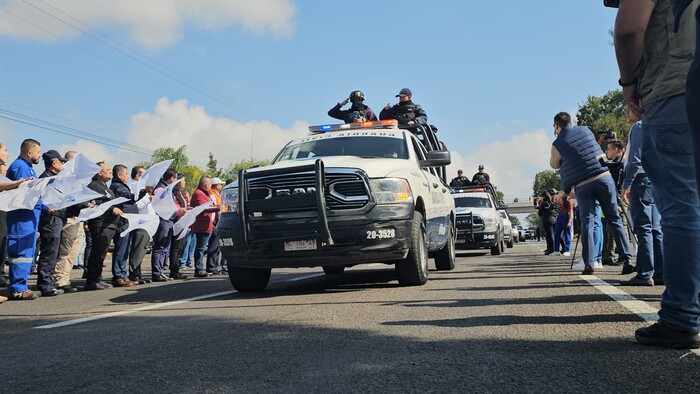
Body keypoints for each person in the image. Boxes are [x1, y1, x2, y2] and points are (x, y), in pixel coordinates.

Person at [614, 0, 700, 348]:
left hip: (675, 87)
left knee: (683, 209)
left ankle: (682, 317)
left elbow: (630, 29)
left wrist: (629, 82)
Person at [549, 112, 633, 275]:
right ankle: (627, 258)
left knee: (587, 222)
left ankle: (589, 264)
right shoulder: (586, 130)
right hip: (604, 178)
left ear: (557, 125)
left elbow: (554, 164)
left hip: (583, 184)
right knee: (614, 219)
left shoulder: (557, 143)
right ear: (571, 122)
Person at [620, 115, 664, 287]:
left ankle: (645, 272)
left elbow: (634, 160)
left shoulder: (639, 126)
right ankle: (661, 272)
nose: (626, 113)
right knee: (655, 228)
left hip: (640, 179)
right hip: (655, 179)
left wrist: (626, 185)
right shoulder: (656, 122)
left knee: (643, 228)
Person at [5, 139, 48, 300]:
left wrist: (44, 206)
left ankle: (21, 286)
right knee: (20, 253)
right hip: (21, 218)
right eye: (37, 152)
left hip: (29, 218)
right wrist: (44, 206)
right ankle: (17, 288)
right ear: (29, 153)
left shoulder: (28, 168)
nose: (39, 155)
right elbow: (25, 194)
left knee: (26, 253)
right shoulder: (20, 167)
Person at [36, 150, 68, 296]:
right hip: (50, 219)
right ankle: (45, 283)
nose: (63, 164)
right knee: (49, 251)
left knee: (53, 251)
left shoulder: (55, 178)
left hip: (58, 218)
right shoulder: (46, 179)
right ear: (54, 164)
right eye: (61, 162)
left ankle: (47, 282)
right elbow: (39, 198)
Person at [151, 169, 187, 282]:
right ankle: (156, 272)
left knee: (165, 248)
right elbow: (161, 205)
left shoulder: (167, 189)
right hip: (163, 219)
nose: (176, 180)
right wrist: (177, 211)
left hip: (170, 219)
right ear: (171, 178)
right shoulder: (160, 189)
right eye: (176, 178)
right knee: (160, 247)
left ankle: (160, 271)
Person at [109, 164, 139, 287]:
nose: (127, 176)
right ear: (120, 175)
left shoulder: (121, 185)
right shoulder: (117, 186)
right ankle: (118, 275)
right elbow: (128, 197)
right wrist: (143, 192)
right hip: (122, 222)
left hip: (128, 221)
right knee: (121, 249)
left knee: (125, 249)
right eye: (126, 174)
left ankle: (122, 274)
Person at [190, 177, 221, 277]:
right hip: (202, 224)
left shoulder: (205, 193)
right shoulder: (199, 193)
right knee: (201, 248)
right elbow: (205, 208)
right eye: (209, 184)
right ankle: (199, 269)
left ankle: (208, 267)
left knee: (205, 247)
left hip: (208, 224)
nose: (211, 186)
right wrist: (220, 207)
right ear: (205, 185)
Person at [128, 165, 152, 284]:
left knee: (143, 249)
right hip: (140, 221)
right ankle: (134, 274)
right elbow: (136, 205)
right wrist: (149, 198)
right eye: (144, 174)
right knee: (138, 248)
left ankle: (138, 273)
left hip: (148, 222)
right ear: (138, 175)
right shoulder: (134, 187)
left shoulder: (144, 188)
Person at [536, 190, 558, 255]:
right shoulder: (552, 202)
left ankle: (551, 249)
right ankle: (559, 247)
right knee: (555, 234)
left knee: (549, 235)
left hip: (548, 219)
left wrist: (539, 208)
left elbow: (540, 213)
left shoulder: (544, 203)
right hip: (554, 218)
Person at [553, 191, 574, 257]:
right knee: (557, 234)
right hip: (560, 216)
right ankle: (556, 250)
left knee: (567, 234)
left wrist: (569, 221)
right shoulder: (560, 200)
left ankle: (567, 250)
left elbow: (571, 211)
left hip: (566, 216)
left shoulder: (568, 200)